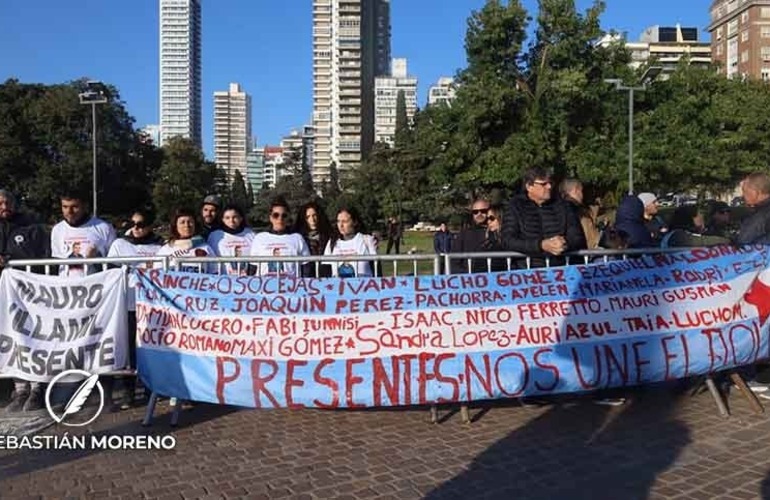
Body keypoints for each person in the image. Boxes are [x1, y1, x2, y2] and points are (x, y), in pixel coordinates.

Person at [106, 208, 164, 409]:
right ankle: (128, 391)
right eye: (132, 224)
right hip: (128, 302)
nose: (136, 228)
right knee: (129, 348)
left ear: (149, 225)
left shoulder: (159, 245)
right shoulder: (120, 244)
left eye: (140, 224)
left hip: (152, 304)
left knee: (150, 346)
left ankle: (151, 389)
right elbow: (109, 271)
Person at [0, 189, 51, 413]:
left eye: (7, 202)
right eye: (0, 203)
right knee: (11, 340)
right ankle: (19, 390)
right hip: (5, 298)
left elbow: (43, 258)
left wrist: (10, 261)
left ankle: (37, 388)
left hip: (30, 295)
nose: (4, 207)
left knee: (33, 338)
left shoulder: (31, 227)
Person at [501, 168, 586, 268]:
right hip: (527, 271)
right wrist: (541, 245)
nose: (549, 187)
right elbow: (508, 240)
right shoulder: (515, 206)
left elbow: (577, 237)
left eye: (550, 183)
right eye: (543, 184)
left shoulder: (564, 206)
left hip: (562, 269)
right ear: (529, 186)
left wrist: (563, 243)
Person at [51, 191, 116, 278]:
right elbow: (56, 264)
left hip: (96, 286)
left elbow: (115, 264)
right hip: (66, 287)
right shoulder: (57, 229)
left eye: (75, 207)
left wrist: (96, 258)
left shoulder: (104, 228)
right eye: (65, 207)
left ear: (85, 206)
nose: (69, 212)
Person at [249, 197, 309, 277]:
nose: (280, 219)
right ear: (270, 217)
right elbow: (252, 267)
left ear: (288, 217)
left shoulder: (297, 238)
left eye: (284, 215)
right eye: (276, 215)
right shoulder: (259, 238)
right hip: (264, 286)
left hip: (291, 286)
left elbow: (306, 267)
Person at [450, 198, 504, 273]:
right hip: (471, 279)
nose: (479, 214)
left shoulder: (499, 232)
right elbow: (454, 261)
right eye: (475, 212)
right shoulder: (463, 234)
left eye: (483, 211)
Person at [156, 208, 217, 273]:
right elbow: (157, 275)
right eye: (182, 222)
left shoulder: (205, 247)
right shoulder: (166, 249)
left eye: (190, 222)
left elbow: (215, 272)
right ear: (175, 226)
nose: (187, 225)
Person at [324, 206, 377, 278]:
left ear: (354, 222)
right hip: (339, 288)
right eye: (338, 221)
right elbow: (326, 271)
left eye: (345, 221)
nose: (341, 225)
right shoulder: (332, 243)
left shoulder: (366, 240)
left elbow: (377, 268)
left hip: (363, 287)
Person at [207, 204, 254, 276]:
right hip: (223, 280)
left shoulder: (250, 234)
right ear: (223, 220)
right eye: (227, 218)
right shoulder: (215, 235)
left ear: (241, 218)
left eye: (235, 217)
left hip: (247, 280)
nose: (231, 221)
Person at [294, 201, 333, 278]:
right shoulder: (298, 237)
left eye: (314, 215)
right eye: (308, 217)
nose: (312, 219)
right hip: (305, 278)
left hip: (326, 278)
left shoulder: (329, 235)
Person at [660, 206, 729, 248]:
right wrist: (725, 240)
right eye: (698, 216)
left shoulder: (687, 233)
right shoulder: (677, 235)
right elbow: (700, 241)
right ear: (689, 218)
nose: (702, 218)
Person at [560, 178, 600, 249]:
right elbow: (590, 238)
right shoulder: (579, 212)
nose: (582, 195)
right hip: (584, 255)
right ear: (576, 190)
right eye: (581, 191)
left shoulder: (557, 209)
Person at [736, 172, 770, 245]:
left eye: (744, 191)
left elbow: (744, 241)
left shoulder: (761, 214)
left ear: (756, 192)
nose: (742, 195)